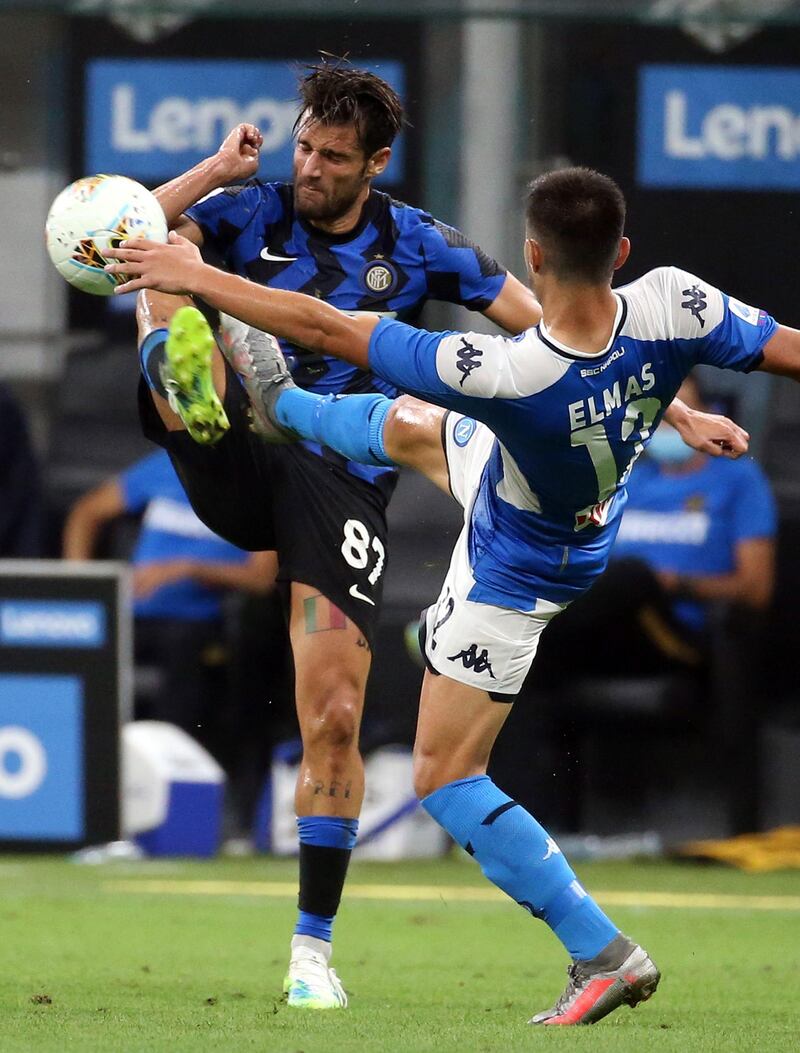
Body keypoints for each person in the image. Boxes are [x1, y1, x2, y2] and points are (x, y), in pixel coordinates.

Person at [103, 164, 781, 1027]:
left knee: (445, 775)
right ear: (623, 252)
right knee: (408, 424)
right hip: (527, 471)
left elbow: (327, 324)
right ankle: (286, 405)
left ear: (533, 255)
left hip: (516, 567)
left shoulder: (506, 370)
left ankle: (604, 952)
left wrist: (197, 279)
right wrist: (679, 412)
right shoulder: (675, 306)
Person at [125, 61, 543, 1011]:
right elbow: (123, 235)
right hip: (230, 442)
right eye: (305, 147)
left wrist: (668, 408)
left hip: (339, 476)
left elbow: (538, 332)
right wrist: (209, 173)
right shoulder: (249, 209)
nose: (310, 168)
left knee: (336, 718)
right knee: (168, 267)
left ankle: (311, 953)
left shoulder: (422, 244)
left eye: (332, 157)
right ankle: (180, 363)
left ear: (375, 163)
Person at [534, 373, 777, 687]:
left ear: (708, 414)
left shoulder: (739, 480)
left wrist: (673, 583)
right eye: (660, 415)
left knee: (632, 576)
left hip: (676, 631)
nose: (671, 425)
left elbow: (756, 591)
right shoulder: (629, 479)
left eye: (683, 412)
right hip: (604, 625)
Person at [63, 450, 276, 760]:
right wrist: (80, 586)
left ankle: (167, 771)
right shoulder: (168, 464)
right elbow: (87, 512)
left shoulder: (259, 483)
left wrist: (190, 568)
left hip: (198, 621)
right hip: (130, 614)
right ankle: (82, 762)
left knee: (184, 673)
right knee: (82, 654)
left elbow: (261, 579)